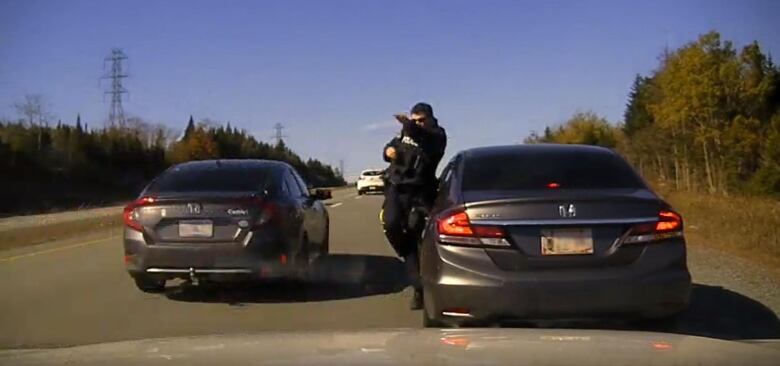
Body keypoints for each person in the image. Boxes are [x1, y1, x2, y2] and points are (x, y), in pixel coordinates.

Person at [381, 102, 447, 310]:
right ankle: (406, 255)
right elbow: (390, 147)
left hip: (420, 193)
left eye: (421, 120)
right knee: (391, 225)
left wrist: (409, 125)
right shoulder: (405, 134)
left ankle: (420, 288)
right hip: (396, 188)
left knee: (416, 231)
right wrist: (388, 151)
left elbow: (423, 138)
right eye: (414, 119)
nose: (417, 123)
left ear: (429, 119)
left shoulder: (436, 136)